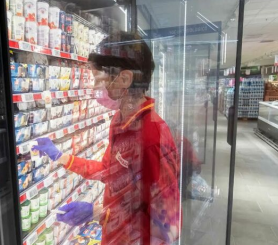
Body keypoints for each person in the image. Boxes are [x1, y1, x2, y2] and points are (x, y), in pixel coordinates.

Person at [33, 33, 180, 244]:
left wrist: (101, 213)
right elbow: (108, 171)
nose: (95, 88)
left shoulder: (151, 138)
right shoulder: (120, 122)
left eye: (98, 79)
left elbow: (167, 227)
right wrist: (60, 157)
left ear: (125, 79)